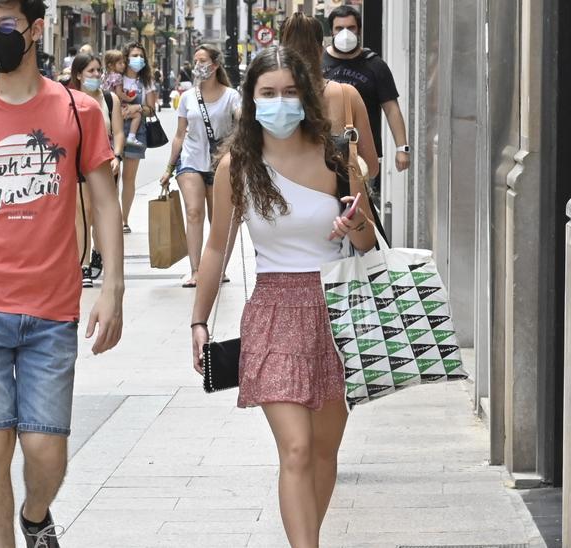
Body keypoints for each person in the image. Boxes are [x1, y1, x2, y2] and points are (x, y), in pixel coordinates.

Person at [0, 1, 124, 546]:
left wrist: (113, 289)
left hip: (53, 310)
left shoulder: (79, 111)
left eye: (5, 26)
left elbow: (105, 203)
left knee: (45, 451)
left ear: (36, 29)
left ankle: (36, 515)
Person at [190, 46, 376, 548]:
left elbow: (367, 243)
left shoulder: (337, 154)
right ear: (250, 100)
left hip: (334, 311)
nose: (280, 103)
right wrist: (198, 321)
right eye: (268, 93)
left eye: (290, 92)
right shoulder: (237, 165)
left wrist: (353, 221)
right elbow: (216, 246)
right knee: (294, 448)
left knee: (322, 450)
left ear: (306, 96)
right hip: (273, 313)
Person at [159, 45, 241, 288]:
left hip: (220, 164)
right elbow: (179, 134)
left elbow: (241, 119)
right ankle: (195, 270)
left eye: (203, 60)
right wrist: (169, 167)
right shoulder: (187, 97)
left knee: (219, 219)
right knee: (194, 212)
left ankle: (218, 269)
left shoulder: (231, 96)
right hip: (191, 160)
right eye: (195, 60)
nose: (198, 65)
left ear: (215, 65)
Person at [281, 13, 378, 178]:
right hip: (338, 200)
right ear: (321, 50)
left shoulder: (269, 100)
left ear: (280, 52)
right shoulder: (347, 95)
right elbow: (371, 167)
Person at [323, 4, 410, 186]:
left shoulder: (375, 65)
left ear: (359, 30)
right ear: (331, 31)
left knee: (360, 208)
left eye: (351, 28)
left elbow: (391, 109)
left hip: (364, 154)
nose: (345, 33)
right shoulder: (318, 64)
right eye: (339, 28)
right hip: (324, 155)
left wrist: (402, 148)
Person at [67, 53, 125, 289]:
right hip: (78, 162)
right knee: (83, 213)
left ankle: (98, 250)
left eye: (98, 71)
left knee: (102, 214)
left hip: (105, 162)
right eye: (90, 71)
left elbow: (118, 133)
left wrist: (118, 156)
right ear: (79, 74)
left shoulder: (110, 100)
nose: (96, 75)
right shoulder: (68, 99)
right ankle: (84, 266)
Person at [117, 42, 157, 234]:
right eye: (134, 55)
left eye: (141, 55)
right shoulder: (115, 78)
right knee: (111, 178)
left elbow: (151, 110)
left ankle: (124, 219)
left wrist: (138, 108)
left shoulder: (146, 82)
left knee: (129, 178)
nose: (138, 59)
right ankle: (112, 217)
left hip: (136, 132)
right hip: (114, 131)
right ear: (126, 57)